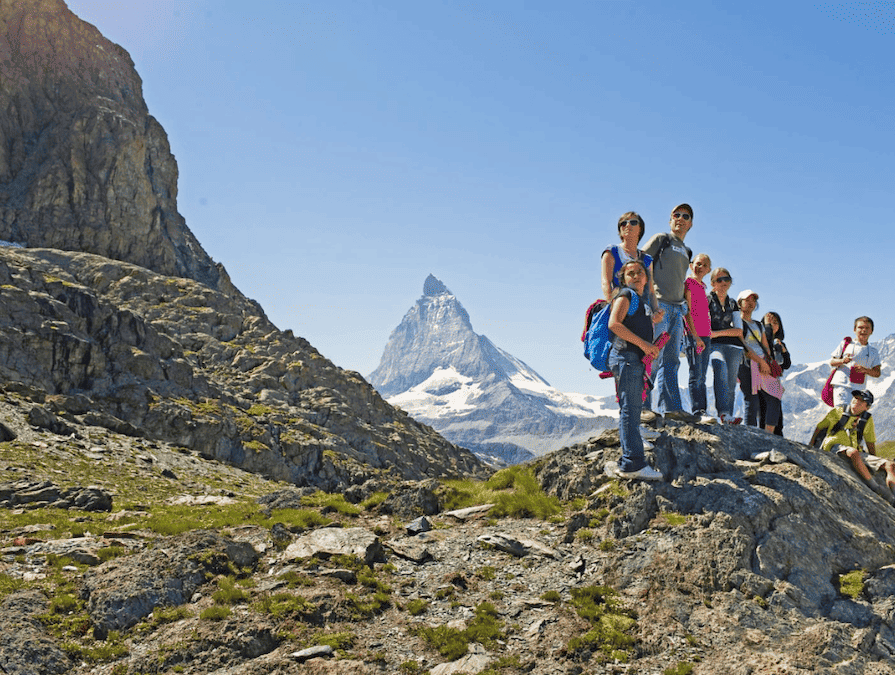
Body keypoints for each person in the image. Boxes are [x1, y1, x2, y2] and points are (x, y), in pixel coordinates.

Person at [607, 260, 663, 481]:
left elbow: (633, 323)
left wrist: (652, 320)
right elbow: (615, 324)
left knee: (630, 409)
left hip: (631, 359)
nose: (637, 275)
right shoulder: (626, 295)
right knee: (631, 410)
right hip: (627, 358)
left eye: (640, 272)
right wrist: (645, 346)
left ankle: (628, 462)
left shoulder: (639, 300)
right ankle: (633, 464)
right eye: (631, 273)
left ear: (646, 278)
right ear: (624, 278)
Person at [642, 203, 694, 417]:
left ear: (690, 224)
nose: (680, 219)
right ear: (670, 220)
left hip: (677, 310)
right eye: (676, 215)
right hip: (660, 305)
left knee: (671, 360)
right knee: (652, 356)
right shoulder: (661, 239)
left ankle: (671, 408)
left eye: (685, 216)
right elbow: (640, 262)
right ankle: (642, 407)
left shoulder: (687, 250)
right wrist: (650, 299)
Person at [809, 390, 895, 502]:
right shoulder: (838, 411)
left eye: (861, 402)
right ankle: (876, 488)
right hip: (834, 446)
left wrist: (876, 462)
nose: (856, 402)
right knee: (853, 452)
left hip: (855, 450)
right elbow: (820, 428)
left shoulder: (866, 419)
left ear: (867, 407)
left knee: (890, 465)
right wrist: (811, 446)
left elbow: (870, 442)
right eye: (855, 399)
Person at [736, 290, 782, 432]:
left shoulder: (758, 324)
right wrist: (760, 361)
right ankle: (750, 433)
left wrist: (766, 361)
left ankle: (768, 435)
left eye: (753, 301)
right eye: (747, 300)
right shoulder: (736, 322)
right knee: (752, 399)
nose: (751, 304)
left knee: (775, 395)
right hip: (746, 363)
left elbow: (765, 346)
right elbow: (743, 346)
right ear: (740, 303)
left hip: (762, 362)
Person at [599, 211, 660, 316]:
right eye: (623, 223)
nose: (627, 225)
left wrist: (656, 311)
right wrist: (613, 307)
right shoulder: (612, 251)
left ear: (640, 229)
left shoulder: (647, 259)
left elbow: (650, 290)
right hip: (621, 309)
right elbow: (606, 282)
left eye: (633, 222)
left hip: (643, 312)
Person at [707, 267, 743, 424]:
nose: (723, 283)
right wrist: (725, 332)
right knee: (720, 369)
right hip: (713, 346)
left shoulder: (733, 303)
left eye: (727, 279)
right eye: (719, 280)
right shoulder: (707, 300)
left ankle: (728, 415)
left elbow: (739, 331)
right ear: (713, 283)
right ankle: (723, 413)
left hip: (734, 347)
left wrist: (717, 333)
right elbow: (705, 327)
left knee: (730, 381)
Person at [829, 317, 882, 409]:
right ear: (854, 329)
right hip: (842, 385)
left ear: (871, 331)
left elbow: (877, 373)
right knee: (841, 413)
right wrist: (842, 361)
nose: (864, 330)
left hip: (859, 388)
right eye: (860, 327)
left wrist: (865, 370)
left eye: (867, 328)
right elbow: (832, 362)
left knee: (851, 416)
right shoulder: (846, 344)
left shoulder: (873, 351)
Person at [683, 253, 712, 418]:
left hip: (706, 336)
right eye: (697, 263)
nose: (699, 267)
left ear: (708, 270)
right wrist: (695, 336)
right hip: (694, 336)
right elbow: (687, 311)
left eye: (703, 265)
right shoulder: (688, 284)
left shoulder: (703, 287)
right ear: (690, 265)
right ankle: (697, 410)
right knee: (696, 374)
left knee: (702, 375)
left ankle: (703, 410)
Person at [759, 311, 791, 435]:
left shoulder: (780, 344)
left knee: (777, 418)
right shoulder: (759, 339)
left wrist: (784, 351)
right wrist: (767, 328)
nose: (772, 324)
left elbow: (786, 365)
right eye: (769, 321)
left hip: (774, 381)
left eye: (775, 322)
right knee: (763, 413)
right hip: (761, 381)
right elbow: (764, 351)